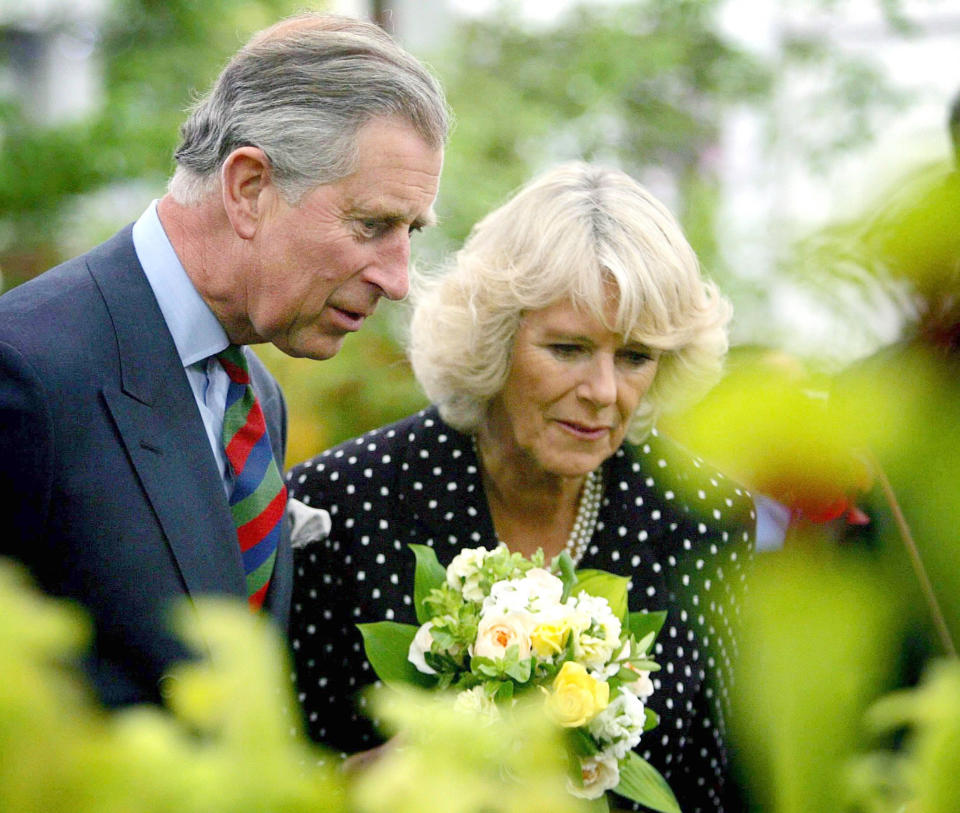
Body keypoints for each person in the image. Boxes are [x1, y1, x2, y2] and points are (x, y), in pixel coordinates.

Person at [0, 12, 448, 709]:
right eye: (373, 225)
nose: (396, 276)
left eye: (411, 231)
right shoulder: (26, 371)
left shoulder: (258, 401)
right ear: (248, 188)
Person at [287, 163, 756, 812]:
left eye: (634, 356)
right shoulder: (339, 505)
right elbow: (264, 779)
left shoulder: (701, 513)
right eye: (567, 348)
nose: (601, 391)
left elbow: (721, 781)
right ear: (497, 338)